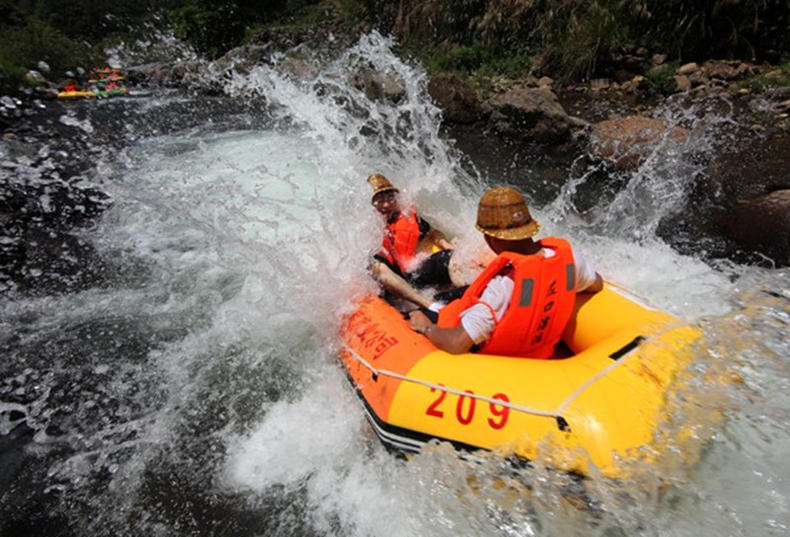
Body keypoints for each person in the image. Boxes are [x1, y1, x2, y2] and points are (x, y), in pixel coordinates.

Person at [408, 186, 603, 357]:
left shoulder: (501, 287)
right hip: (542, 348)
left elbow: (456, 343)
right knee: (459, 292)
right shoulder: (571, 262)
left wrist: (426, 327)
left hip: (499, 359)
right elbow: (597, 284)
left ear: (491, 239)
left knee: (416, 314)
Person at [367, 173, 455, 310]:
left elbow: (433, 233)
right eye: (379, 200)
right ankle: (430, 305)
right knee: (377, 267)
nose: (386, 204)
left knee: (450, 257)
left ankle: (473, 290)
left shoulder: (407, 217)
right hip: (393, 284)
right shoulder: (364, 232)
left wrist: (448, 247)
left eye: (390, 198)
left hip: (414, 275)